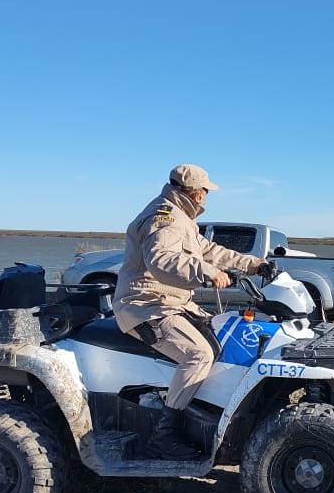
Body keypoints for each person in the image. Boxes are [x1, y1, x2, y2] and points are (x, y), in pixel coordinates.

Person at [113, 164, 269, 460]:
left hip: (171, 301)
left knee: (223, 334)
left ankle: (207, 414)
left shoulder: (180, 217)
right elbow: (160, 259)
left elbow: (209, 249)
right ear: (194, 192)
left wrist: (253, 264)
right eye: (206, 192)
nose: (207, 198)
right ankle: (163, 435)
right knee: (198, 354)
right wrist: (207, 272)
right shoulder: (165, 217)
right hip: (144, 305)